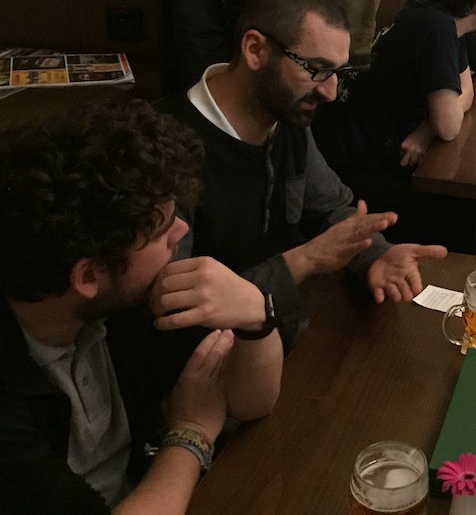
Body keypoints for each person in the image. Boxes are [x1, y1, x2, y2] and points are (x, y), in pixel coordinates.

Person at [0, 101, 283, 513]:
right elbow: (203, 418)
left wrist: (256, 318)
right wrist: (190, 436)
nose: (181, 231)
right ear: (88, 276)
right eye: (160, 228)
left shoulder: (121, 304)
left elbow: (250, 401)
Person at [168, 0, 448, 349]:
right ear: (255, 50)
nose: (330, 92)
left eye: (338, 73)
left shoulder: (285, 120)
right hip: (210, 360)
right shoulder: (167, 150)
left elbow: (332, 208)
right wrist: (306, 260)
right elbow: (176, 309)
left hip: (279, 331)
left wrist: (375, 255)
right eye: (316, 69)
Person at [314, 0, 476, 213]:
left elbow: (466, 89)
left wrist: (427, 129)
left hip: (358, 149)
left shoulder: (440, 14)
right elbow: (448, 127)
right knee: (463, 208)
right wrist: (436, 123)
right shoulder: (437, 27)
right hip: (350, 167)